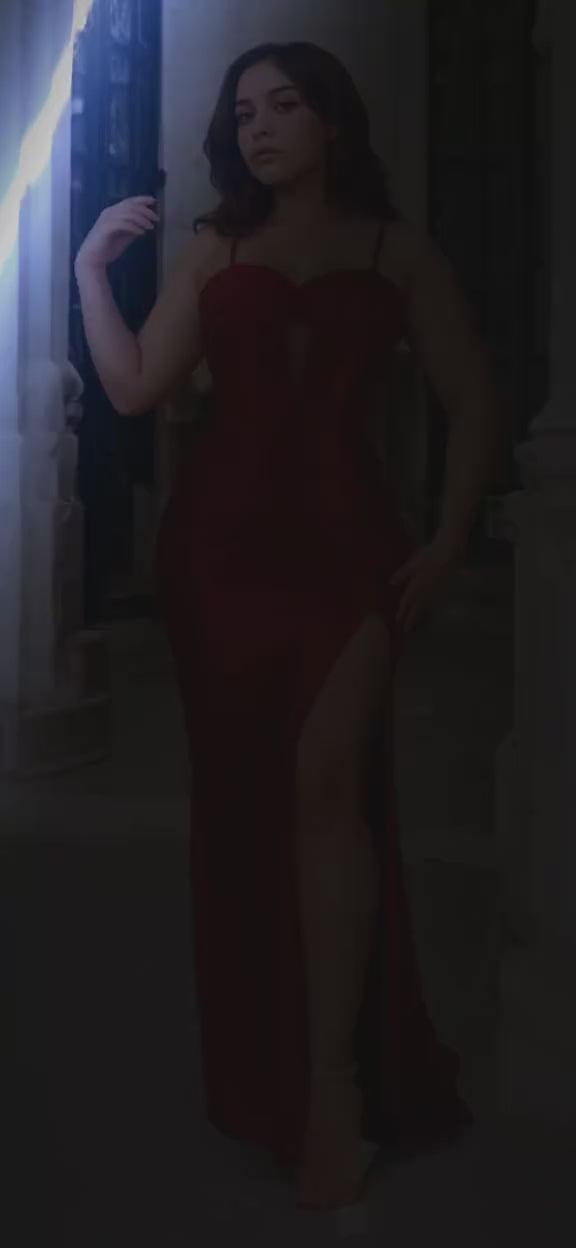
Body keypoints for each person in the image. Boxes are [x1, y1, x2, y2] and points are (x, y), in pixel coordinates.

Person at [74, 41, 502, 1210]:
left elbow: (475, 400)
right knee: (252, 810)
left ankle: (332, 1098)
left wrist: (449, 540)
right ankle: (282, 1072)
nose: (257, 128)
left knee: (326, 782)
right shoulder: (214, 248)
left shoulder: (395, 251)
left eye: (283, 106)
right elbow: (133, 386)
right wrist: (89, 274)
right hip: (219, 560)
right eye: (244, 112)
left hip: (352, 554)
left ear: (332, 122)